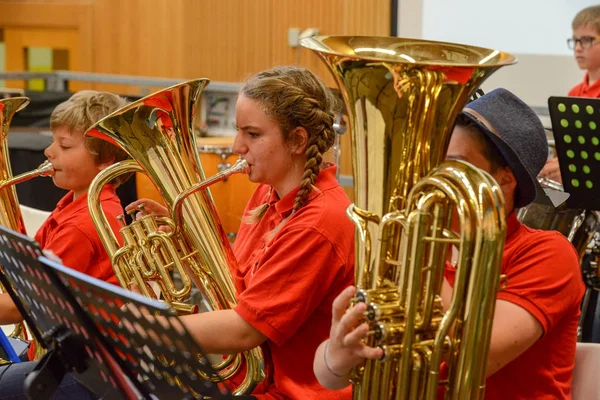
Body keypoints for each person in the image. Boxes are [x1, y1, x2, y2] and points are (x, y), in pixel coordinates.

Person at [2, 66, 355, 400]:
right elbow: (237, 284)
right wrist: (183, 240)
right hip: (243, 378)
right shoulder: (268, 193)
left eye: (252, 134)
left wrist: (137, 328)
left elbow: (245, 329)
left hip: (284, 391)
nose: (236, 146)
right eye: (238, 130)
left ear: (297, 140)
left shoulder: (318, 221)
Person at [314, 88, 584, 399]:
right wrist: (338, 354)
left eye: (454, 163)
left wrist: (419, 244)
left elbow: (477, 357)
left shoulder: (548, 253)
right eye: (434, 161)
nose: (433, 175)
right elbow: (327, 376)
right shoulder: (416, 248)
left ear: (504, 179)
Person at [0, 90, 131, 399]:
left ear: (106, 161)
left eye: (64, 146)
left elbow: (21, 306)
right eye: (52, 141)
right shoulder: (73, 205)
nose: (48, 151)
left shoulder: (84, 224)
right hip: (74, 359)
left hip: (88, 372)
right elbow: (24, 279)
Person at [540, 5, 600, 183]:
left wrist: (570, 168)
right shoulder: (574, 94)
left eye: (587, 40)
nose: (578, 48)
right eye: (575, 41)